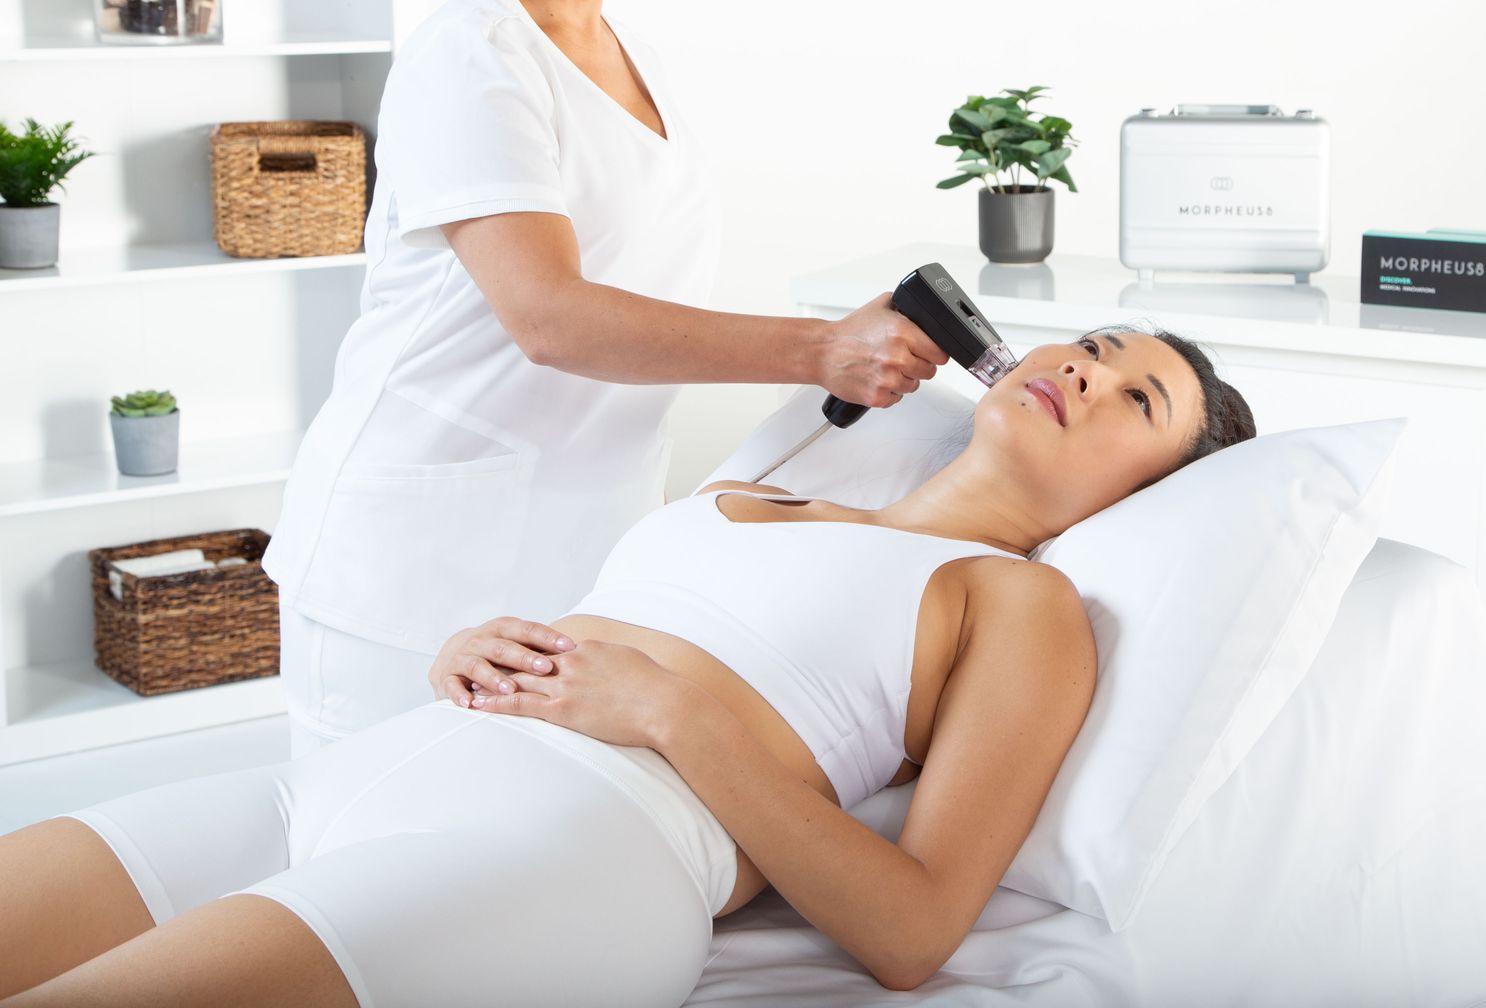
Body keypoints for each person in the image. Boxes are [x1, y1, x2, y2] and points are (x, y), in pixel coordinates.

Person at [0, 331, 1255, 1007]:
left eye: (1137, 400)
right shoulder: (761, 489)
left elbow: (914, 931)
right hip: (360, 777)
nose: (1090, 371)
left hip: (574, 856)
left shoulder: (1021, 604)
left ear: (1144, 493)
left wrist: (674, 709)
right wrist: (476, 643)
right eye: (1093, 346)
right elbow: (627, 622)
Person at [266, 0, 946, 755]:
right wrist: (815, 349)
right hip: (411, 572)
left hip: (581, 554)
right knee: (380, 868)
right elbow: (550, 316)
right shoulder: (472, 60)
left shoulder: (631, 50)